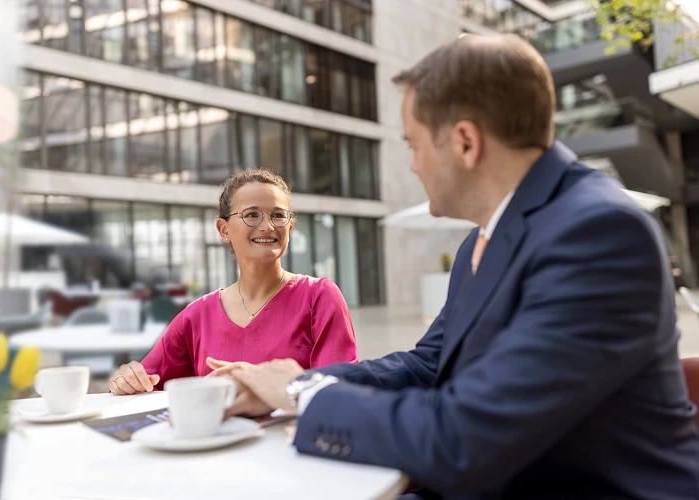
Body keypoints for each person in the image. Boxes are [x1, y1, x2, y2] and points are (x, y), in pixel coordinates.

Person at [223, 34, 699, 499]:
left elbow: (465, 438)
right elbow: (430, 364)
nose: (412, 167)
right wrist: (298, 382)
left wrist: (305, 398)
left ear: (466, 142)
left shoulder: (599, 234)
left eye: (414, 145)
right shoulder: (486, 237)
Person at [109, 168, 358, 395]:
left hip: (289, 443)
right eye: (252, 215)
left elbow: (337, 393)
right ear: (224, 229)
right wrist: (128, 379)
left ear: (290, 227)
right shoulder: (196, 316)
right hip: (218, 443)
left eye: (277, 215)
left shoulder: (319, 297)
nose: (268, 226)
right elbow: (147, 383)